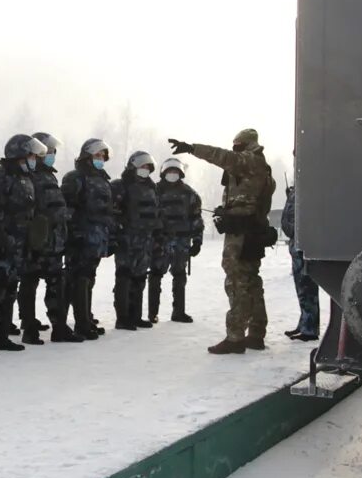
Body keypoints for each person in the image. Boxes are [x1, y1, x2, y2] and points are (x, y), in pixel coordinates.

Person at [168, 128, 276, 354]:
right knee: (251, 281)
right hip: (254, 230)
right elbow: (251, 200)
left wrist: (192, 148)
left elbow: (222, 156)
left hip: (241, 233)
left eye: (237, 144)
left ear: (245, 145)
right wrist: (229, 210)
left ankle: (235, 337)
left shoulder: (249, 160)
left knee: (236, 281)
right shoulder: (263, 168)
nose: (234, 148)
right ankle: (256, 334)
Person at [0, 133, 42, 356]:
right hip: (2, 239)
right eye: (30, 154)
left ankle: (2, 335)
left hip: (19, 240)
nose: (33, 158)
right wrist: (0, 237)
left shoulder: (24, 175)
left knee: (11, 287)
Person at [20, 132, 74, 343]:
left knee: (54, 283)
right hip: (38, 241)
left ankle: (58, 325)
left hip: (53, 241)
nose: (52, 154)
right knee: (30, 282)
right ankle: (30, 326)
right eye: (49, 151)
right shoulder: (31, 176)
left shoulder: (47, 175)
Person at [62, 138, 117, 340]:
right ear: (87, 156)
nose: (100, 159)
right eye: (96, 155)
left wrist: (110, 237)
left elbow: (107, 213)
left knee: (88, 279)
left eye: (102, 156)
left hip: (97, 239)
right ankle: (79, 323)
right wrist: (71, 234)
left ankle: (86, 317)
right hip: (80, 238)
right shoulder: (75, 178)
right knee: (78, 279)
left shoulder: (102, 180)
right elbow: (67, 208)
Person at [109, 150, 160, 331]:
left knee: (139, 277)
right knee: (124, 276)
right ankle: (122, 318)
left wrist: (156, 236)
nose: (145, 170)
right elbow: (112, 213)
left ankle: (135, 316)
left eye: (148, 167)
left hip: (145, 240)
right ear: (132, 166)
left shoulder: (152, 188)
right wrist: (116, 233)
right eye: (142, 166)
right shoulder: (120, 186)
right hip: (127, 239)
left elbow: (156, 214)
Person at [153, 156, 203, 324]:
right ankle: (152, 312)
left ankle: (179, 312)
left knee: (180, 276)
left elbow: (196, 219)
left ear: (180, 173)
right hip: (160, 240)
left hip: (182, 242)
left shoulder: (189, 194)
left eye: (175, 171)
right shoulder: (154, 191)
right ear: (163, 173)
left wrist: (197, 241)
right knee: (155, 275)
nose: (172, 174)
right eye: (170, 171)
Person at [282, 184, 320, 341]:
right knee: (302, 289)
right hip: (296, 244)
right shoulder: (297, 188)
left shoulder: (308, 186)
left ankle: (310, 328)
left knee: (307, 288)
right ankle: (304, 323)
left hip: (303, 245)